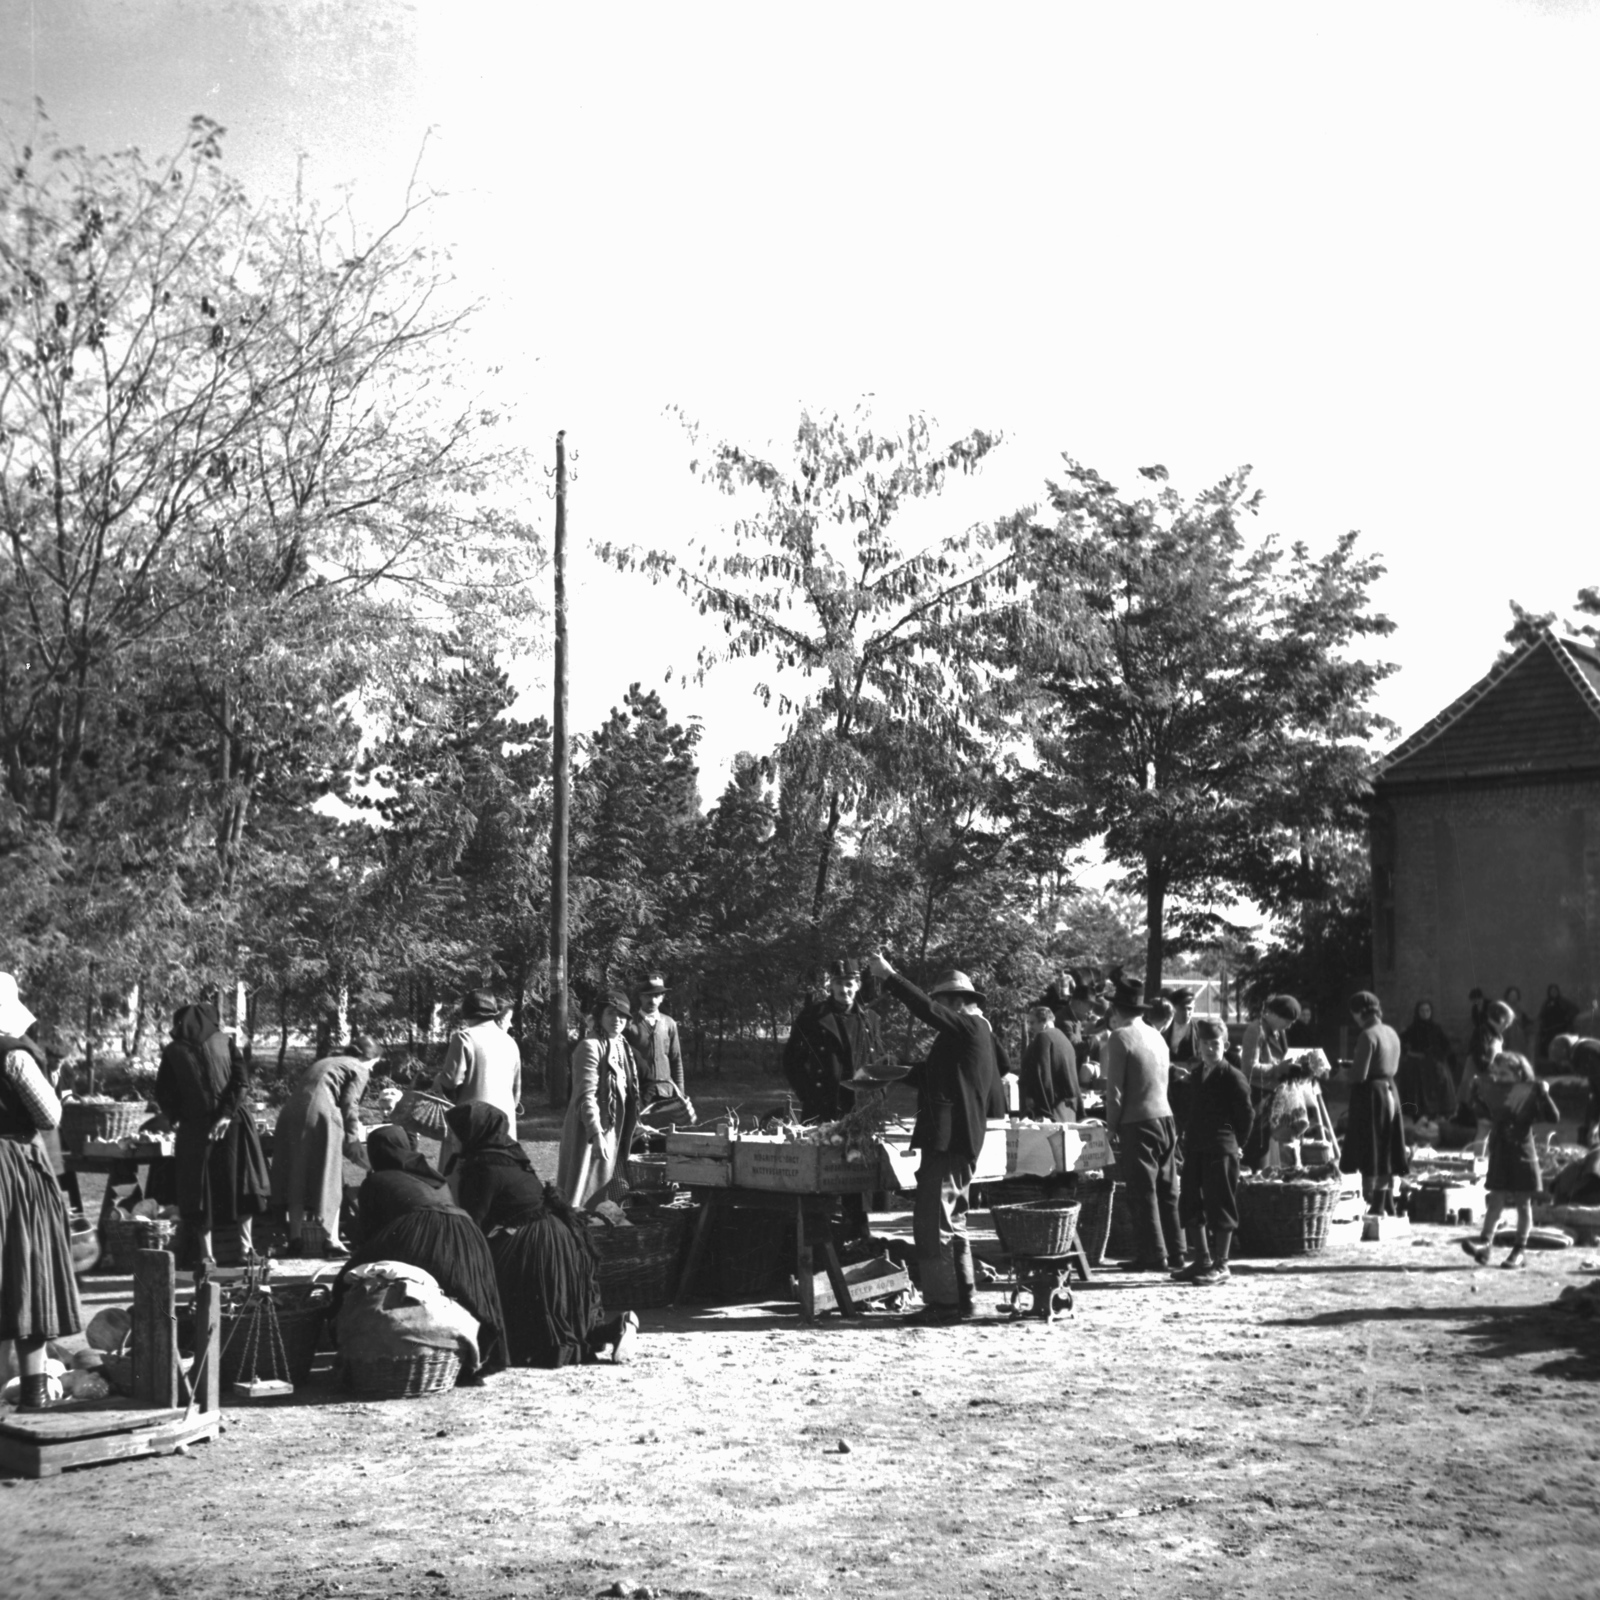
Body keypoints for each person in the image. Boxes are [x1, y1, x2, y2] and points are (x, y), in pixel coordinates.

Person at [867, 955, 1005, 1323]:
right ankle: (964, 1297)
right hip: (958, 1140)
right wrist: (890, 1071)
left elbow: (924, 1009)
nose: (939, 1010)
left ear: (956, 1003)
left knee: (933, 1223)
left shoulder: (970, 1027)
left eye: (943, 1002)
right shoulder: (966, 1036)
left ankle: (944, 1305)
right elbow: (931, 1075)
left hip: (949, 1141)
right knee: (954, 1222)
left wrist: (891, 977)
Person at [447, 1102, 637, 1367]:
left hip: (536, 1241)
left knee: (491, 1274)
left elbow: (472, 1224)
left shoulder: (482, 1166)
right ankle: (614, 1329)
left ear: (471, 1132)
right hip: (559, 1235)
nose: (450, 1138)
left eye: (453, 1132)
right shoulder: (508, 1153)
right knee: (552, 1311)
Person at [342, 1124, 506, 1380]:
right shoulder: (433, 1177)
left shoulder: (376, 1180)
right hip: (466, 1233)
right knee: (460, 1294)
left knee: (349, 1278)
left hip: (420, 1231)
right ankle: (468, 1353)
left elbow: (370, 1235)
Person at [0, 973, 83, 1409]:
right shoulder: (12, 1055)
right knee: (25, 1271)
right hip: (12, 1171)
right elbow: (48, 1115)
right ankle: (33, 1393)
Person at [154, 1002, 270, 1265]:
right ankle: (246, 1248)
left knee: (199, 1190)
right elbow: (240, 1083)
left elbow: (163, 1091)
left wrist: (175, 1117)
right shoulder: (225, 1041)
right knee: (241, 1183)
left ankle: (207, 1255)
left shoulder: (173, 1050)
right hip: (233, 1125)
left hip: (195, 1128)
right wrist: (227, 1114)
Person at [1101, 974, 1183, 1274]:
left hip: (1139, 1121)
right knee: (1167, 1189)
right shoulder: (1156, 1035)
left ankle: (1153, 1255)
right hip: (1165, 1117)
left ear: (1116, 1009)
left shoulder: (1120, 1037)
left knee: (1142, 1190)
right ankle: (1176, 1251)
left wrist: (1110, 1128)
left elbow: (1116, 1092)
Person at [270, 1034, 379, 1257]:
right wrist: (352, 1138)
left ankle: (295, 1237)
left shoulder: (326, 1061)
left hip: (290, 1115)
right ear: (370, 1058)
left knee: (296, 1174)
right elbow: (350, 1103)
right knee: (330, 1174)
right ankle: (332, 1239)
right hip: (320, 1114)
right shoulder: (359, 1067)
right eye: (375, 1064)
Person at [1459, 1052, 1562, 1269]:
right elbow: (1483, 1113)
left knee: (1523, 1204)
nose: (1498, 1078)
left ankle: (1519, 1250)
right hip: (1500, 1151)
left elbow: (1553, 1118)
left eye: (1504, 1074)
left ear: (1519, 1074)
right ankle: (1485, 1245)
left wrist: (1544, 1095)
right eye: (1495, 1073)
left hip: (1522, 1153)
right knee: (1495, 1201)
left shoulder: (1529, 1094)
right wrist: (1476, 1095)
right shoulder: (1495, 1092)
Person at [1174, 1018, 1253, 1287]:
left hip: (1221, 1150)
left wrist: (1236, 1143)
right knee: (1190, 1202)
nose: (1209, 1049)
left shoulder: (1232, 1076)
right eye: (1205, 1044)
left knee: (1220, 1205)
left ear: (1225, 1045)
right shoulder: (1196, 1076)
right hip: (1195, 1149)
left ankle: (1221, 1264)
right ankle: (1202, 1260)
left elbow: (1245, 1116)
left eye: (1215, 1044)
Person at [557, 992, 641, 1212]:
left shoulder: (622, 1045)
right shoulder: (590, 1046)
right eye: (611, 1013)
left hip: (616, 1135)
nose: (617, 1020)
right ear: (600, 1016)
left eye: (622, 1015)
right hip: (591, 1134)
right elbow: (585, 1096)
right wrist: (596, 1135)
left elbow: (627, 1094)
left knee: (617, 1198)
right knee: (584, 1199)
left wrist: (639, 1124)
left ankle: (608, 1239)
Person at [435, 989, 522, 1183]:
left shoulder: (464, 1037)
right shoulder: (510, 1042)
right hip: (504, 1125)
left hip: (471, 1122)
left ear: (466, 1012)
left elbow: (451, 1081)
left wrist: (437, 1082)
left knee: (464, 1181)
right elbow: (516, 1092)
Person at [783, 959, 881, 1123]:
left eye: (849, 984)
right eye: (839, 984)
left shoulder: (871, 1019)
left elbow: (878, 1061)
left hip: (861, 1106)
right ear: (831, 986)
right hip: (821, 1105)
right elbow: (791, 1060)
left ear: (858, 985)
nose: (844, 990)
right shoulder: (811, 1017)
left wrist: (878, 1096)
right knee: (819, 1148)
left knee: (859, 1149)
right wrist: (808, 1095)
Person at [1340, 992, 1408, 1215]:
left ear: (1360, 1012)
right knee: (1387, 1147)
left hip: (1372, 1095)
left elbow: (1359, 1074)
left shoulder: (1367, 1035)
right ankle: (1387, 1201)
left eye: (1354, 1014)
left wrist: (1340, 1074)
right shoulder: (1391, 1032)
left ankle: (1377, 1204)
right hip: (1390, 1090)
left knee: (1374, 1148)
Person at [625, 975, 693, 1122]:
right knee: (639, 1136)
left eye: (656, 995)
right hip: (640, 1093)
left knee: (664, 1137)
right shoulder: (629, 1025)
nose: (652, 1000)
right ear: (640, 997)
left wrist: (680, 1092)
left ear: (662, 997)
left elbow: (676, 1060)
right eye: (648, 996)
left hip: (666, 1093)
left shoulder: (669, 1023)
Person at [1019, 1001, 1082, 1122]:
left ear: (1043, 1022)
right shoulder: (1064, 1039)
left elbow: (1041, 1074)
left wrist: (1043, 1110)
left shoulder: (1043, 1037)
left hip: (1049, 1110)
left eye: (1032, 1022)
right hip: (1065, 1108)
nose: (1030, 1027)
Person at [1547, 1034, 1600, 1147]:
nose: (1565, 1066)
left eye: (1562, 1062)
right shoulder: (1588, 1047)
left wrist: (1595, 1124)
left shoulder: (1585, 1053)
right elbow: (1595, 1090)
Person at [1537, 985, 1580, 1063]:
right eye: (1552, 991)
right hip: (1549, 1032)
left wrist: (1567, 1018)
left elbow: (1574, 1010)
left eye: (1555, 991)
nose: (1554, 993)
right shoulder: (1546, 1004)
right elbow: (1542, 1016)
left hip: (1562, 1030)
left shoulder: (1564, 1002)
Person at [1500, 986, 1532, 1057]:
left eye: (1515, 995)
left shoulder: (1520, 1011)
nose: (1513, 997)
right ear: (1507, 996)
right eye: (1511, 995)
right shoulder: (1503, 1009)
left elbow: (1526, 1024)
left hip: (1518, 1040)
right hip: (1506, 1037)